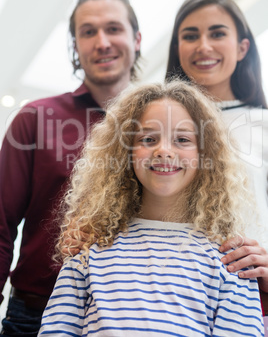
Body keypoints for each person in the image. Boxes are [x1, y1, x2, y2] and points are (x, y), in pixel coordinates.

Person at [38, 80, 264, 336]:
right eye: (148, 138)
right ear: (126, 151)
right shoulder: (89, 252)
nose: (164, 150)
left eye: (182, 139)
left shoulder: (230, 261)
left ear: (207, 154)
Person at [0, 0, 141, 336]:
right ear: (75, 46)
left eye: (113, 28)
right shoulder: (35, 118)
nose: (102, 41)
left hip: (129, 318)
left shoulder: (164, 126)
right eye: (88, 32)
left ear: (136, 39)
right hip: (34, 315)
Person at [165, 0, 268, 311]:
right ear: (178, 49)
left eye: (217, 33)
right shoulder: (158, 129)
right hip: (170, 295)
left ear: (242, 48)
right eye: (191, 35)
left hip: (246, 298)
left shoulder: (262, 124)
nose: (204, 46)